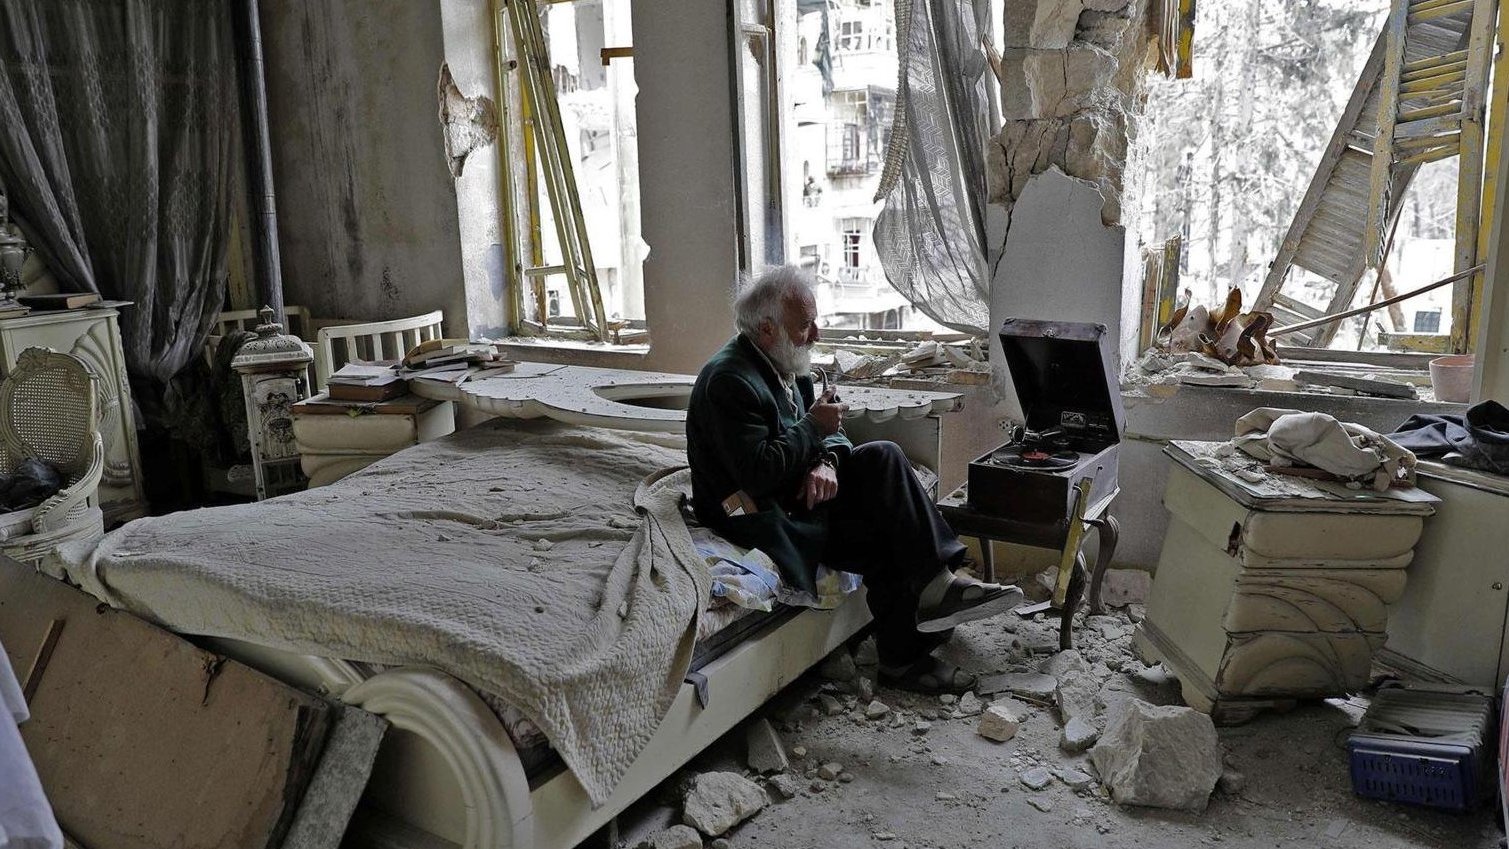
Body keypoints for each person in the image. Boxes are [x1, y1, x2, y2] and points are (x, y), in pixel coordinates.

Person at [686, 265, 1023, 694]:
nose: (816, 335)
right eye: (805, 326)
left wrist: (825, 460)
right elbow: (757, 474)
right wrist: (812, 429)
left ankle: (938, 588)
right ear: (767, 329)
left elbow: (837, 433)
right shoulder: (729, 381)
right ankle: (906, 656)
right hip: (757, 512)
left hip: (798, 490)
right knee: (885, 534)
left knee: (884, 456)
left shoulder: (788, 364)